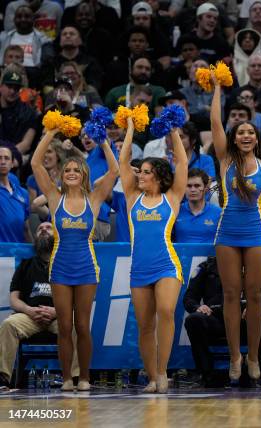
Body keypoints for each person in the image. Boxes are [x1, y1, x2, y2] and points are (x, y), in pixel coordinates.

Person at [30, 118, 119, 391]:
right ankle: (67, 378)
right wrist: (52, 131)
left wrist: (101, 137)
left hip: (86, 269)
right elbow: (34, 163)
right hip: (59, 268)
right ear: (62, 174)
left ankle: (84, 378)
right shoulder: (54, 198)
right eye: (66, 169)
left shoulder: (93, 200)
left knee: (82, 325)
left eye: (75, 170)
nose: (70, 172)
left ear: (83, 174)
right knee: (64, 326)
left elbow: (115, 170)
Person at [211, 74, 261, 383]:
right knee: (229, 294)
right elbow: (214, 123)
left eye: (250, 131)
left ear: (257, 136)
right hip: (227, 233)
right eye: (241, 132)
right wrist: (216, 88)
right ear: (234, 137)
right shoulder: (225, 160)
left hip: (257, 233)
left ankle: (253, 356)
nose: (246, 136)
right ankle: (235, 357)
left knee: (253, 295)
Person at [118, 116, 188, 394]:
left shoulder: (171, 198)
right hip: (139, 269)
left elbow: (182, 164)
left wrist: (172, 130)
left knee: (166, 311)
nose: (139, 174)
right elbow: (123, 162)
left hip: (166, 265)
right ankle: (151, 377)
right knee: (145, 325)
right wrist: (131, 129)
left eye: (145, 171)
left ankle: (162, 372)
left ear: (158, 175)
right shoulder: (132, 198)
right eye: (141, 171)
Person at [0, 222, 79, 389]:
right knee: (8, 325)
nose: (43, 230)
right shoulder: (26, 265)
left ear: (56, 236)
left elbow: (76, 299)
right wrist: (29, 310)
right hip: (30, 316)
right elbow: (14, 299)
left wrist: (56, 311)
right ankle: (3, 378)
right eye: (39, 229)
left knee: (76, 326)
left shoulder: (66, 264)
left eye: (48, 228)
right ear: (34, 237)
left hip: (58, 316)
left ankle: (75, 378)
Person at [183, 257, 261, 386]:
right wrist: (197, 307)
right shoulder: (206, 267)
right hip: (216, 319)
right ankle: (206, 373)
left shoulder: (253, 267)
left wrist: (256, 309)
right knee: (193, 320)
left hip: (244, 322)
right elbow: (189, 298)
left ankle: (253, 367)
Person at [174, 168, 221, 243]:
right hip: (181, 254)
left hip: (209, 254)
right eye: (189, 186)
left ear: (206, 189)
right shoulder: (175, 211)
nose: (192, 190)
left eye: (197, 186)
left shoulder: (218, 213)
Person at [0, 146, 31, 243]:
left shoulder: (23, 193)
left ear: (12, 163)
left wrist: (33, 251)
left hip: (17, 252)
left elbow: (25, 227)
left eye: (7, 158)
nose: (3, 162)